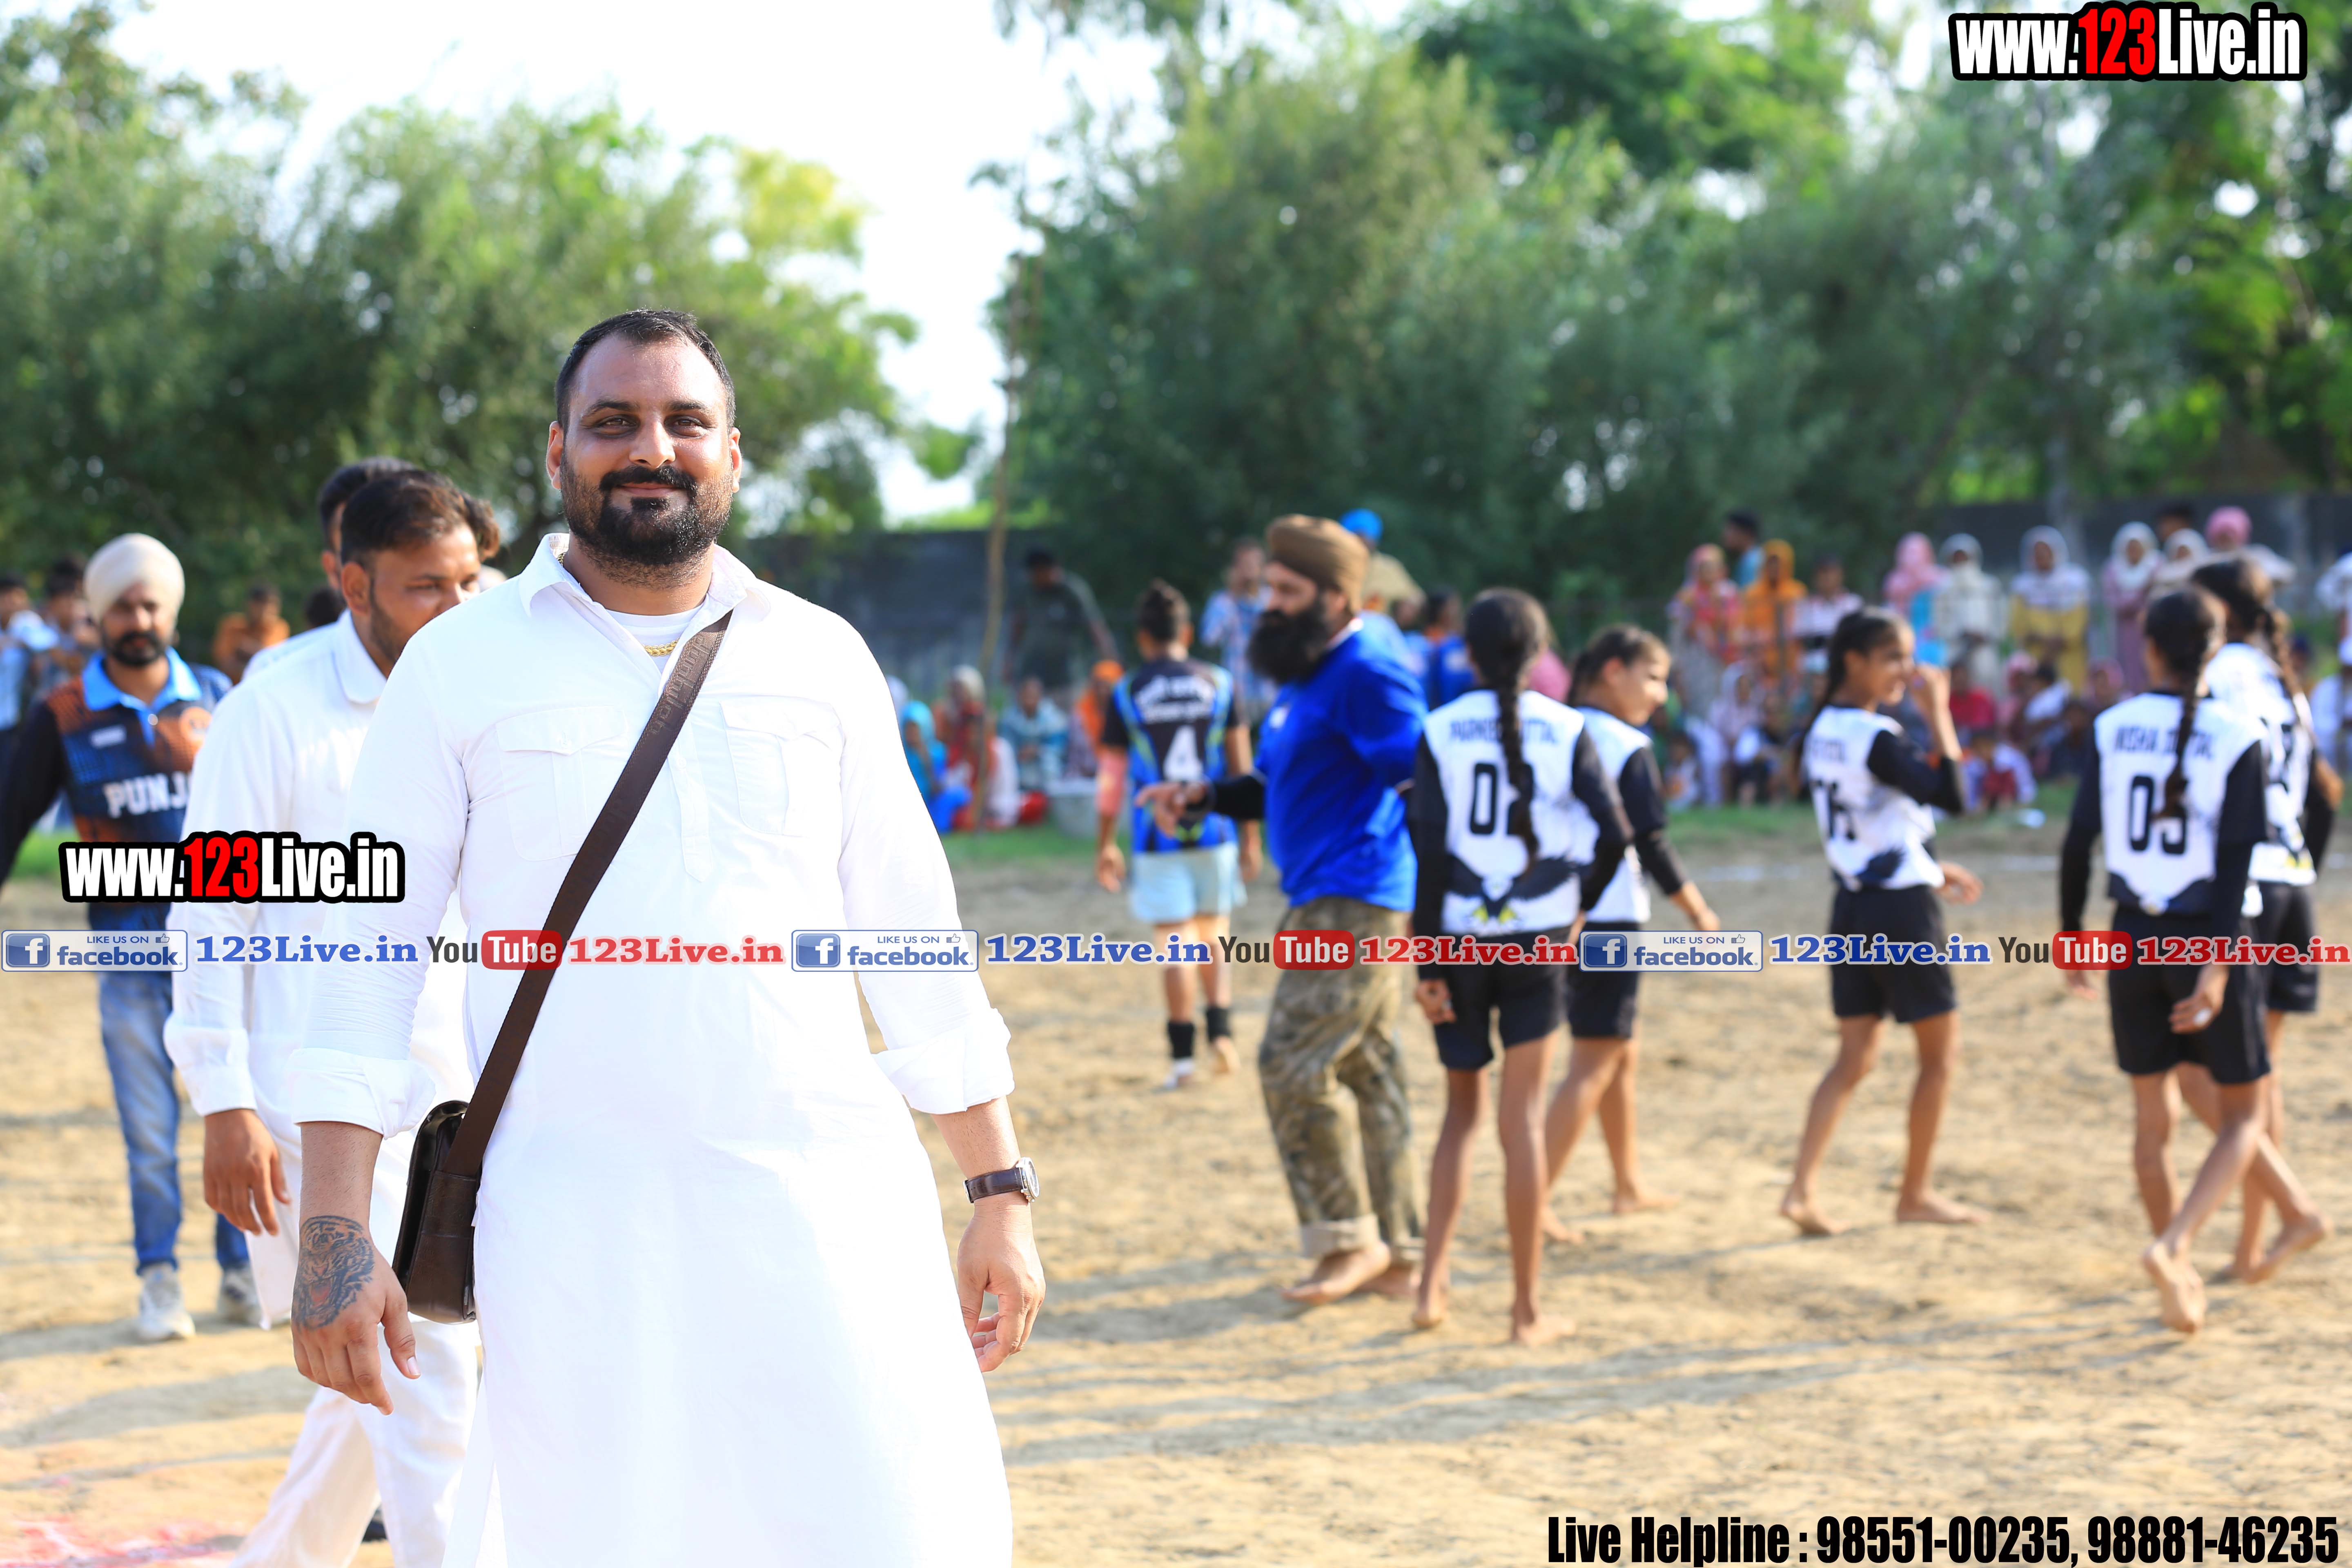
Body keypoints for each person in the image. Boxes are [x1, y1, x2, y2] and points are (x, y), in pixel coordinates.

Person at [284, 310, 1038, 1566]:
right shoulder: (459, 666)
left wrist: (999, 1189)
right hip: (578, 1230)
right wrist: (331, 1230)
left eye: (685, 421)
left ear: (732, 453)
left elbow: (914, 936)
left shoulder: (822, 656)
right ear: (558, 452)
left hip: (829, 1204)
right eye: (613, 421)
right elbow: (367, 956)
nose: (652, 447)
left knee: (890, 1527)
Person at [166, 470, 494, 1566]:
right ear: (353, 585)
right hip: (317, 1097)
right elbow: (209, 908)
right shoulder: (274, 710)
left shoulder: (481, 690)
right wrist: (222, 1101)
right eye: (423, 587)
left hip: (454, 1085)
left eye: (468, 582)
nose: (454, 607)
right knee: (425, 1363)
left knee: (379, 1364)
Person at [1138, 515, 1426, 1307]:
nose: (1270, 603)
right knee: (1368, 1068)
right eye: (1268, 587)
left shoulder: (1368, 672)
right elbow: (1268, 786)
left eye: (1288, 591)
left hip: (1356, 902)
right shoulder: (1307, 675)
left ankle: (1347, 1242)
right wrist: (1201, 796)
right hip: (1322, 898)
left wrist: (1431, 913)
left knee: (1291, 1064)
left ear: (1339, 598)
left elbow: (1420, 787)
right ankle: (1402, 1251)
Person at [0, 534, 254, 1340]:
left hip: (222, 953)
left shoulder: (218, 695)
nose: (138, 619)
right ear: (99, 616)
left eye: (151, 606)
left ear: (171, 613)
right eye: (123, 607)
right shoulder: (62, 713)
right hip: (126, 953)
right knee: (149, 1133)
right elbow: (10, 820)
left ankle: (242, 1272)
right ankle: (160, 1281)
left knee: (233, 1109)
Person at [2058, 588, 2330, 1332]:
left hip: (2128, 933)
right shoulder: (2238, 734)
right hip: (2202, 934)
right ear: (2216, 651)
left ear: (2148, 648)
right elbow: (2237, 863)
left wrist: (2071, 935)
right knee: (2243, 1114)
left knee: (2153, 1122)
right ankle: (2175, 1246)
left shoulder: (2112, 726)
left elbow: (2078, 843)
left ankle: (2177, 1279)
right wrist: (2215, 965)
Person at [1405, 591, 1629, 1343]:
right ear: (1541, 655)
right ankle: (1525, 1309)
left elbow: (1429, 855)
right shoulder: (1569, 728)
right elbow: (1616, 834)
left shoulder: (1439, 728)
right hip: (1538, 940)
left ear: (1466, 654)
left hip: (1458, 940)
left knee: (1461, 1114)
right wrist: (1581, 904)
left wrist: (1428, 962)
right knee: (1522, 1122)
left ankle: (1430, 1287)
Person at [1782, 609, 1985, 1235]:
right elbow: (1953, 795)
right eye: (1893, 657)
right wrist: (1940, 713)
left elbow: (1870, 820)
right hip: (1900, 914)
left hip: (1852, 906)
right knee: (1940, 1057)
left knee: (1854, 1057)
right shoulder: (1876, 734)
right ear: (1855, 661)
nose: (1908, 669)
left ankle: (1800, 1189)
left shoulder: (1822, 730)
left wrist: (1927, 865)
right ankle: (1914, 1194)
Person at [1541, 626, 1718, 1243]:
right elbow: (1651, 840)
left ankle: (1626, 1185)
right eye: (1654, 677)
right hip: (1609, 915)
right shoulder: (1623, 744)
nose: (1661, 694)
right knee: (1595, 1059)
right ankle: (1533, 1199)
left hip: (1556, 911)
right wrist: (1697, 911)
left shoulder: (1554, 729)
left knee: (1619, 1051)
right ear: (1613, 671)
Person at [2188, 557, 2339, 1277]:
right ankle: (2253, 1248)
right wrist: (2305, 865)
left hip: (2245, 888)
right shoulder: (2285, 679)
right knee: (2260, 1077)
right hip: (2292, 882)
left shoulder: (2219, 674)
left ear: (2218, 611)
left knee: (2203, 1080)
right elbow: (2324, 791)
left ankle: (2287, 1216)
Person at [1094, 581, 1261, 1090]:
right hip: (1215, 831)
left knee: (1175, 947)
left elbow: (1111, 776)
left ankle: (1183, 1060)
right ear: (1186, 633)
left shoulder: (1128, 692)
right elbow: (1242, 768)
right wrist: (1250, 838)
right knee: (1213, 936)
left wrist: (1106, 842)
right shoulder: (1219, 683)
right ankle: (1222, 1036)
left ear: (1143, 638)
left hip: (1157, 838)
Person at [247, 459, 422, 682]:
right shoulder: (272, 679)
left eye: (406, 542)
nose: (387, 561)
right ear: (333, 570)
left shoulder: (464, 660)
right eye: (364, 544)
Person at [1003, 546, 1115, 708]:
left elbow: (1095, 627)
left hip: (1066, 679)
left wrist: (1110, 659)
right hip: (1033, 677)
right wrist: (1009, 661)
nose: (1035, 578)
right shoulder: (1027, 592)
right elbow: (1017, 628)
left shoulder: (1071, 591)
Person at [1200, 538, 1275, 726]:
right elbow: (1209, 638)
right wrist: (1233, 596)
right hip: (1238, 692)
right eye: (1245, 565)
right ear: (1235, 568)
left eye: (1254, 565)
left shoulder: (1272, 599)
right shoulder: (1223, 601)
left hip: (1270, 691)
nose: (1250, 571)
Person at [2011, 527, 2092, 690]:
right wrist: (2044, 640)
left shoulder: (2074, 583)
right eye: (2037, 553)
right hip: (2036, 657)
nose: (2041, 556)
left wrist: (2060, 640)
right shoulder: (2023, 587)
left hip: (2069, 656)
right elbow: (2018, 626)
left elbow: (2078, 622)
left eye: (2046, 551)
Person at [1667, 543, 1740, 722]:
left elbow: (1738, 627)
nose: (1708, 572)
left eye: (1712, 566)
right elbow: (1677, 637)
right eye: (1703, 567)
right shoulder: (1686, 598)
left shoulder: (1729, 595)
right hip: (1698, 664)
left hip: (1728, 661)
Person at [1933, 535, 2008, 693]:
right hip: (1956, 650)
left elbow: (2001, 619)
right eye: (1957, 558)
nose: (1961, 562)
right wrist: (1960, 634)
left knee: (1987, 688)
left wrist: (1986, 635)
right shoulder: (1943, 590)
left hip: (1985, 650)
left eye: (1964, 558)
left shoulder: (1989, 586)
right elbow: (1939, 624)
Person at [1737, 539, 1806, 685]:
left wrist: (1770, 637)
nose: (1775, 568)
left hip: (1789, 664)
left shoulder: (1796, 592)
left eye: (1779, 563)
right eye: (1771, 563)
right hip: (1757, 664)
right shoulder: (1751, 594)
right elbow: (1742, 630)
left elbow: (1797, 629)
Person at [939, 664, 998, 832]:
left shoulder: (981, 715)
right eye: (955, 689)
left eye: (962, 689)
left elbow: (986, 762)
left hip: (978, 774)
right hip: (957, 770)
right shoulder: (946, 713)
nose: (958, 694)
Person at [2103, 523, 2160, 691]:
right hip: (2125, 633)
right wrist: (2143, 591)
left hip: (2151, 630)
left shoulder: (2156, 566)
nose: (2134, 552)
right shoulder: (2113, 570)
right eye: (2130, 548)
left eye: (2138, 547)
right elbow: (2116, 604)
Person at [999, 675, 1070, 795]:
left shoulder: (1054, 719)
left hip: (1044, 769)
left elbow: (1059, 748)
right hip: (1019, 767)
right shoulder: (1010, 720)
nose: (1029, 701)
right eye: (1026, 696)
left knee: (1050, 763)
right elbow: (1006, 746)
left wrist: (1038, 751)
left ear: (1040, 697)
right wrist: (1019, 753)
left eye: (1033, 697)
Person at [213, 581, 290, 683]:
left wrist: (244, 648)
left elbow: (269, 658)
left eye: (273, 605)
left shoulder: (279, 627)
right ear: (251, 604)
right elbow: (225, 663)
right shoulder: (232, 625)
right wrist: (255, 654)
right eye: (263, 604)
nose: (269, 610)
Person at [1791, 556, 1860, 666]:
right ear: (1815, 578)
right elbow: (1801, 639)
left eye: (1832, 572)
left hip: (1844, 664)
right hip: (1813, 666)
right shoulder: (1806, 606)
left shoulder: (1852, 604)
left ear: (1841, 575)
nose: (1827, 577)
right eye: (1823, 573)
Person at [2205, 505, 2296, 588]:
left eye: (2232, 532)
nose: (2229, 537)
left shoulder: (2256, 555)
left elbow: (2286, 573)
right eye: (2223, 533)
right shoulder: (2208, 560)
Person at [1421, 588, 1477, 709]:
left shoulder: (1460, 640)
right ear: (1439, 610)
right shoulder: (1427, 642)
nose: (1457, 611)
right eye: (1451, 606)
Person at [1961, 727, 2035, 811]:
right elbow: (1971, 791)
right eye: (1975, 749)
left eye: (1980, 748)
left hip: (2012, 798)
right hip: (1989, 801)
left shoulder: (2010, 759)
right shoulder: (1975, 763)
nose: (1978, 752)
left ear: (1990, 745)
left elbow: (2026, 787)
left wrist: (2021, 803)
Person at [1880, 532, 1944, 626]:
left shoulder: (1939, 575)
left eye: (1916, 552)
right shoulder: (1895, 580)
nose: (1912, 557)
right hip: (1904, 624)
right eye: (1909, 552)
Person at [2152, 526, 2208, 592]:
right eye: (2180, 552)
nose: (2182, 554)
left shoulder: (2202, 572)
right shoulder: (2164, 573)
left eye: (2185, 552)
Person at [1721, 510, 1764, 588]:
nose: (1726, 535)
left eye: (1732, 530)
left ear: (1747, 534)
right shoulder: (1748, 558)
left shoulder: (1752, 563)